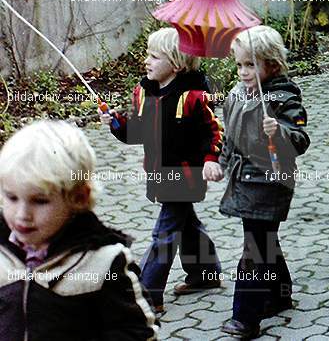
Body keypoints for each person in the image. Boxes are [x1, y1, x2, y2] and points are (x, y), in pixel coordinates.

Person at [100, 27, 224, 314]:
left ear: (177, 63)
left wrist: (210, 159)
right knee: (187, 224)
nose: (147, 61)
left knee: (164, 234)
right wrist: (116, 123)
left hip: (185, 177)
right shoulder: (144, 93)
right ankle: (205, 273)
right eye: (147, 55)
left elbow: (214, 132)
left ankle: (147, 293)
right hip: (158, 173)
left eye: (154, 56)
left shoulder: (193, 97)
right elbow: (137, 132)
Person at [0, 120, 158, 339]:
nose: (22, 214)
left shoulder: (104, 261)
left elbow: (138, 331)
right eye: (12, 197)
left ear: (79, 198)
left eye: (40, 201)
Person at [218, 26, 310, 339]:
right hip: (244, 181)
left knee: (255, 247)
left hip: (270, 182)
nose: (243, 72)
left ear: (271, 64)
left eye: (250, 65)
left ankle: (246, 317)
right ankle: (280, 294)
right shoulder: (238, 95)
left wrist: (279, 131)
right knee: (264, 240)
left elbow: (300, 139)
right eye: (240, 64)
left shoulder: (284, 97)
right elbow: (229, 136)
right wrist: (219, 165)